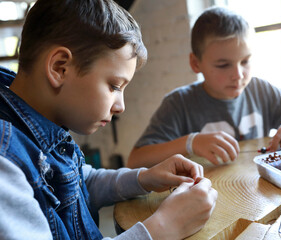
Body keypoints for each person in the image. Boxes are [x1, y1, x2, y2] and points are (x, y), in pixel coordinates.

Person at [0, 1, 218, 239]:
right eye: (114, 86)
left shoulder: (40, 121)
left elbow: (80, 181)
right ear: (60, 68)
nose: (120, 106)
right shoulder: (6, 165)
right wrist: (165, 227)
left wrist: (144, 178)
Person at [127, 6, 281, 168]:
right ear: (196, 63)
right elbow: (135, 160)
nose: (238, 74)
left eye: (246, 61)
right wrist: (190, 143)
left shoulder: (261, 90)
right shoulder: (179, 103)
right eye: (223, 65)